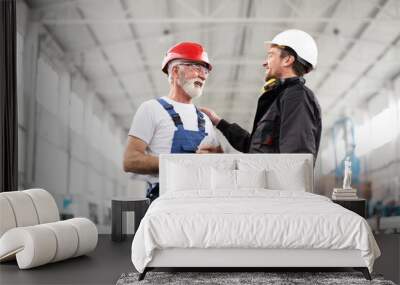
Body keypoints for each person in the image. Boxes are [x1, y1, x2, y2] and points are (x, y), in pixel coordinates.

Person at [200, 29, 322, 162]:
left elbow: (296, 160)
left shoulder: (297, 97)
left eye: (270, 55)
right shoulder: (282, 97)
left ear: (287, 60)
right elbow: (254, 147)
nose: (265, 63)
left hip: (273, 183)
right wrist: (218, 121)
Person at [123, 42, 222, 202]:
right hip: (164, 201)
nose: (203, 76)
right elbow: (130, 160)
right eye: (196, 68)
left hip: (201, 201)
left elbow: (221, 162)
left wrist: (210, 159)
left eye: (205, 71)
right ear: (175, 71)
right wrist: (184, 162)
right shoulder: (151, 109)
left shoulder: (204, 119)